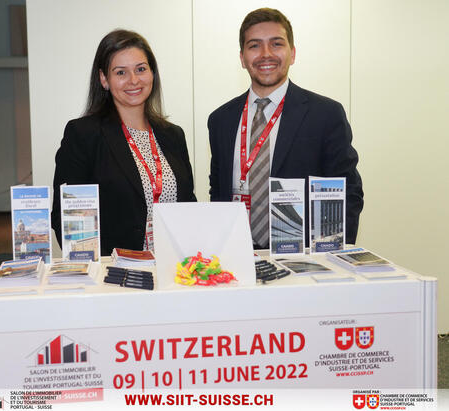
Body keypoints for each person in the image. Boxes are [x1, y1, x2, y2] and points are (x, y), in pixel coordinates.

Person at [208, 8, 363, 248]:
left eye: (276, 44)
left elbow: (348, 192)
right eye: (254, 45)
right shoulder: (220, 120)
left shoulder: (325, 115)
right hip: (237, 255)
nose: (266, 54)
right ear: (242, 58)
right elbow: (218, 192)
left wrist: (330, 255)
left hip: (303, 258)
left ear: (292, 53)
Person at [52, 29, 196, 255]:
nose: (134, 80)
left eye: (141, 69)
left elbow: (189, 206)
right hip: (116, 269)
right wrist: (100, 268)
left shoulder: (173, 135)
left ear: (152, 73)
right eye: (121, 72)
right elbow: (66, 216)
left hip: (173, 265)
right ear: (104, 79)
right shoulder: (83, 134)